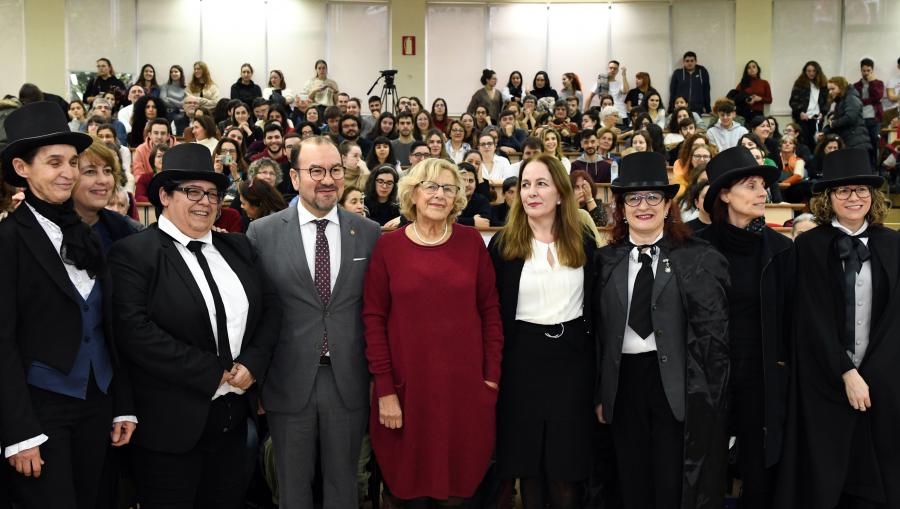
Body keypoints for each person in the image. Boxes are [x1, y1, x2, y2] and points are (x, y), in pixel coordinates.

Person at [109, 143, 279, 507]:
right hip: (170, 427)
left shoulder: (239, 248)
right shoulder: (135, 253)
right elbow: (135, 332)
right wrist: (212, 372)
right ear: (165, 196)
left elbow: (271, 310)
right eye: (192, 192)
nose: (205, 202)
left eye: (213, 194)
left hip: (234, 421)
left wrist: (253, 362)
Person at [0, 101, 136, 508]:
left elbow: (110, 328)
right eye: (54, 162)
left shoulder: (89, 234)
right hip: (41, 408)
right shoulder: (8, 241)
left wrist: (123, 406)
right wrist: (18, 433)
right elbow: (2, 342)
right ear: (23, 169)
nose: (68, 172)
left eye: (73, 162)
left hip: (98, 401)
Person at [246, 135, 380, 508]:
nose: (327, 179)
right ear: (293, 177)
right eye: (316, 170)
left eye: (335, 170)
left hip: (348, 380)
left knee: (345, 486)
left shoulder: (368, 233)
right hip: (288, 380)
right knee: (292, 489)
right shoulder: (262, 232)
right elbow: (255, 311)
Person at [362, 157, 502, 505]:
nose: (439, 195)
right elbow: (374, 320)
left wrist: (491, 379)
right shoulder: (388, 247)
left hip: (465, 393)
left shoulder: (472, 243)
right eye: (431, 186)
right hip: (406, 394)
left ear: (458, 197)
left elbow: (491, 315)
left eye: (448, 188)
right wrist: (384, 391)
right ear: (413, 193)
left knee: (460, 492)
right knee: (409, 493)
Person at [594, 151, 729, 509]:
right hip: (622, 387)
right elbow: (595, 333)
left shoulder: (697, 258)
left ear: (668, 205)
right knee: (631, 482)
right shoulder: (604, 262)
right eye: (633, 198)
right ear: (621, 208)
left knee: (671, 483)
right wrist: (599, 392)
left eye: (653, 197)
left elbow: (713, 337)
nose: (643, 206)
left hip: (675, 387)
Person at [777, 147, 900, 509]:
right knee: (827, 479)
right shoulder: (809, 247)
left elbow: (895, 319)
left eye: (862, 189)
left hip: (882, 383)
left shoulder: (893, 245)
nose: (854, 197)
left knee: (879, 479)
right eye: (843, 190)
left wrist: (872, 374)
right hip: (823, 382)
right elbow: (809, 318)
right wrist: (845, 372)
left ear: (873, 196)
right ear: (829, 197)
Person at [484, 153, 595, 509]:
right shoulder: (502, 247)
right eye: (526, 184)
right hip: (522, 364)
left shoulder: (584, 242)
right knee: (527, 467)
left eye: (541, 184)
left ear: (561, 193)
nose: (531, 192)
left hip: (572, 365)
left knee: (566, 470)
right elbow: (492, 315)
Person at [697, 146, 794, 509]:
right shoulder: (695, 249)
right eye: (750, 185)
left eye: (763, 186)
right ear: (724, 194)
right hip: (708, 378)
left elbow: (790, 318)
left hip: (761, 379)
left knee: (759, 474)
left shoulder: (780, 250)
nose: (762, 193)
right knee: (706, 471)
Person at [823, 76, 872, 153]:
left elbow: (850, 117)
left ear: (841, 87)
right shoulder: (841, 101)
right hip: (851, 141)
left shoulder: (851, 98)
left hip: (856, 142)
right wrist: (824, 131)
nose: (830, 92)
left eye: (833, 89)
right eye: (829, 89)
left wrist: (833, 124)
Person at [789, 61, 829, 152]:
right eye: (808, 71)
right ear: (805, 72)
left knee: (816, 143)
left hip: (817, 119)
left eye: (813, 71)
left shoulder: (823, 84)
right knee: (803, 143)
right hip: (803, 118)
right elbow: (793, 101)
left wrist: (823, 113)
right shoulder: (799, 83)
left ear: (817, 72)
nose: (811, 73)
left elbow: (827, 102)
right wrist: (800, 112)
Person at [854, 58, 885, 167]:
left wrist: (872, 82)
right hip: (861, 119)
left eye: (868, 70)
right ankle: (865, 166)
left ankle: (874, 167)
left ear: (872, 70)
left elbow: (877, 96)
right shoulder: (856, 86)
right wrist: (870, 100)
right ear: (861, 70)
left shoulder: (879, 83)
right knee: (863, 144)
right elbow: (856, 101)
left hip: (875, 118)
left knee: (874, 143)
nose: (866, 73)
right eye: (864, 70)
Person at [456, 162, 492, 229]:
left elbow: (484, 223)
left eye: (471, 181)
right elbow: (445, 220)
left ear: (476, 184)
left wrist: (459, 220)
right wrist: (473, 221)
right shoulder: (449, 199)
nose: (467, 184)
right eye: (463, 180)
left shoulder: (482, 201)